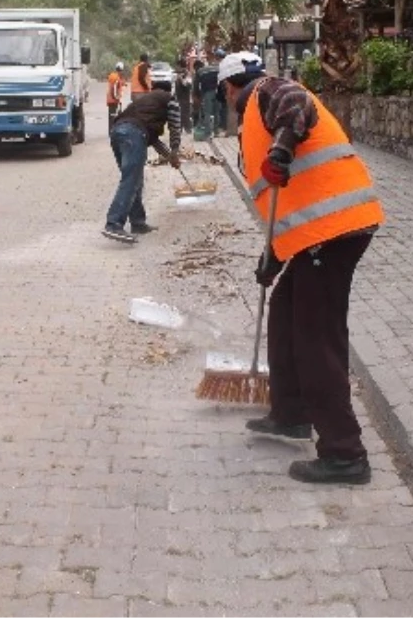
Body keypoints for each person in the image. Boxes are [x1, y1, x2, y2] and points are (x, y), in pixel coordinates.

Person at [219, 51, 385, 485]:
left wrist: (281, 149)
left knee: (317, 337)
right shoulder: (256, 111)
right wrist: (273, 257)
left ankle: (345, 453)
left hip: (335, 229)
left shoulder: (265, 92)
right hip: (319, 233)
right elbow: (285, 204)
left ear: (227, 87)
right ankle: (290, 413)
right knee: (285, 311)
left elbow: (298, 104)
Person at [102, 88, 182, 244]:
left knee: (133, 178)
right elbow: (175, 127)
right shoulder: (172, 101)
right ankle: (113, 223)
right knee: (131, 180)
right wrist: (175, 151)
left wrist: (169, 156)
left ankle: (138, 222)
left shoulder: (146, 103)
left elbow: (153, 140)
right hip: (133, 134)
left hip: (117, 132)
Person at [194, 48, 224, 142]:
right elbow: (222, 81)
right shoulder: (219, 69)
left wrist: (197, 95)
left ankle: (207, 134)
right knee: (217, 112)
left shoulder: (200, 71)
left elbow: (196, 85)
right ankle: (216, 132)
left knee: (207, 113)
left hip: (207, 93)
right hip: (217, 91)